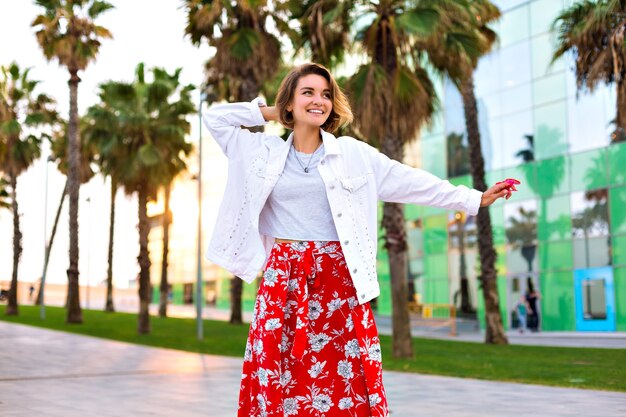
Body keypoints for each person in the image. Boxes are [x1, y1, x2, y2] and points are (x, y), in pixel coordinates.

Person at [203, 63, 516, 417]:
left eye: (325, 94)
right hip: (284, 281)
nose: (319, 101)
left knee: (346, 378)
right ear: (289, 101)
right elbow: (215, 119)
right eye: (308, 92)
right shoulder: (262, 152)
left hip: (339, 281)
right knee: (281, 376)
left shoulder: (353, 154)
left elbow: (410, 181)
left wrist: (473, 198)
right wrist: (277, 110)